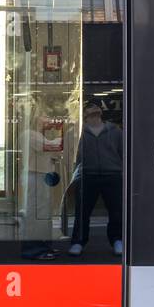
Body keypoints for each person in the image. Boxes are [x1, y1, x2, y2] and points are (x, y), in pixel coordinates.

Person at [68, 102, 123, 256]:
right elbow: (74, 154)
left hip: (112, 174)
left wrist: (122, 171)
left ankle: (117, 239)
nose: (94, 111)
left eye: (96, 109)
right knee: (82, 211)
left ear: (100, 112)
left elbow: (124, 152)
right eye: (90, 109)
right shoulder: (79, 132)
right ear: (85, 114)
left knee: (116, 211)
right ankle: (78, 241)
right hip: (87, 174)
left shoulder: (115, 131)